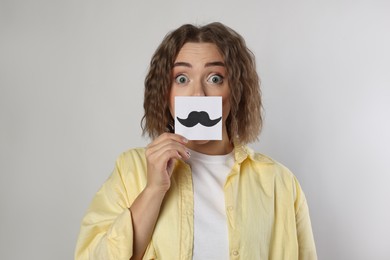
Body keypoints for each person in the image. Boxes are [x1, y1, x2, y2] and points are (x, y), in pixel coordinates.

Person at [75, 22, 317, 260]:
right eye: (182, 79)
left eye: (215, 78)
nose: (198, 94)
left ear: (236, 91)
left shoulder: (280, 183)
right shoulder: (131, 170)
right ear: (164, 93)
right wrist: (153, 190)